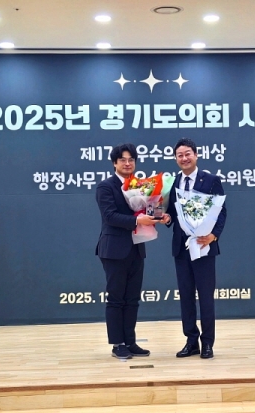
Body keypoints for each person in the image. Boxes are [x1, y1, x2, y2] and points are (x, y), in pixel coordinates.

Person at [95, 143, 169, 360]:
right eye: (123, 160)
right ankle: (117, 344)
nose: (127, 164)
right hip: (114, 249)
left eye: (131, 160)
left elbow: (150, 207)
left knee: (133, 298)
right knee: (116, 298)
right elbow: (110, 216)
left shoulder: (140, 185)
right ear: (114, 163)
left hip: (136, 248)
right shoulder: (105, 187)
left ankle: (130, 341)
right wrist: (137, 220)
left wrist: (160, 216)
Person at [167, 138, 227, 359]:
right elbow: (171, 212)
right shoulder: (173, 182)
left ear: (196, 155)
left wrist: (213, 236)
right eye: (180, 155)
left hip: (204, 245)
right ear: (176, 159)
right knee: (185, 296)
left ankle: (207, 342)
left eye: (187, 154)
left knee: (205, 297)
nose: (184, 158)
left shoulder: (211, 180)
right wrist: (165, 218)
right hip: (181, 247)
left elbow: (221, 211)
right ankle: (191, 340)